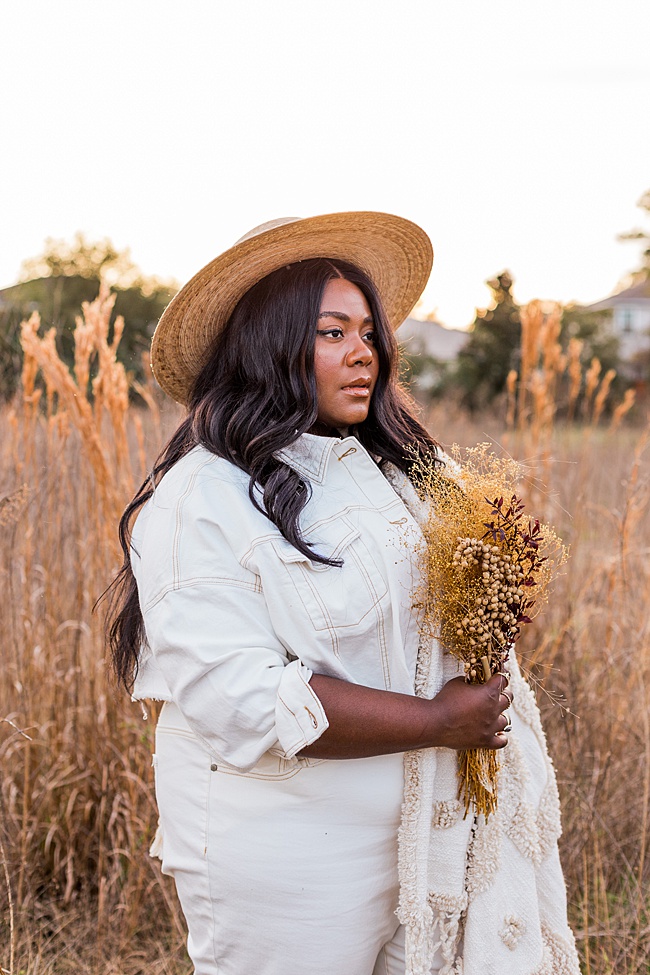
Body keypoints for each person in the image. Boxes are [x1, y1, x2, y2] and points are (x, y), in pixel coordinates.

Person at [105, 213, 579, 975]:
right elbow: (247, 698)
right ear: (268, 343)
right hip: (285, 854)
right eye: (332, 333)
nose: (364, 352)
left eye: (367, 331)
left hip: (416, 837)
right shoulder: (203, 499)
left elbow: (445, 615)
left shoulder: (394, 474)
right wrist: (436, 720)